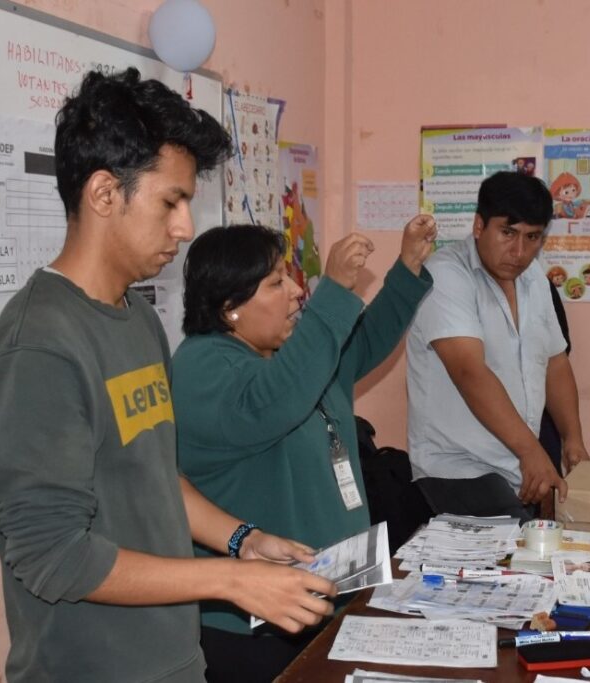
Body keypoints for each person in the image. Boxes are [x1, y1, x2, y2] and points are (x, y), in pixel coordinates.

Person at [0, 68, 337, 683]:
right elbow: (53, 555)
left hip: (173, 660)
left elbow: (152, 475)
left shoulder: (137, 318)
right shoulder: (38, 347)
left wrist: (243, 540)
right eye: (171, 201)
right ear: (105, 194)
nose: (185, 227)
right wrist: (232, 581)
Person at [173, 217, 437, 682]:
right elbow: (274, 400)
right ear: (230, 307)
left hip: (332, 597)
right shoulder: (202, 366)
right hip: (252, 627)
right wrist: (333, 290)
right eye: (276, 283)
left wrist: (408, 266)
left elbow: (364, 340)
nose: (297, 291)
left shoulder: (291, 352)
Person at [406, 171, 590, 523]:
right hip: (457, 469)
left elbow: (554, 362)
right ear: (479, 226)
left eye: (532, 237)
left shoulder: (533, 277)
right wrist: (531, 450)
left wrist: (573, 440)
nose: (519, 252)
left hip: (517, 466)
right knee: (514, 557)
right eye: (508, 233)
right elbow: (468, 371)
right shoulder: (444, 276)